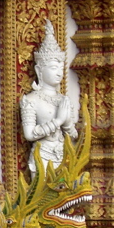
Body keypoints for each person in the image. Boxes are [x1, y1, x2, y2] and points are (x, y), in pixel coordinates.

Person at [20, 20, 77, 174]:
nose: (58, 72)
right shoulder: (31, 100)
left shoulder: (64, 100)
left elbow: (73, 136)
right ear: (39, 70)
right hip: (42, 157)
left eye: (60, 68)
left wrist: (66, 124)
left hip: (64, 156)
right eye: (53, 67)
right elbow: (29, 134)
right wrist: (57, 121)